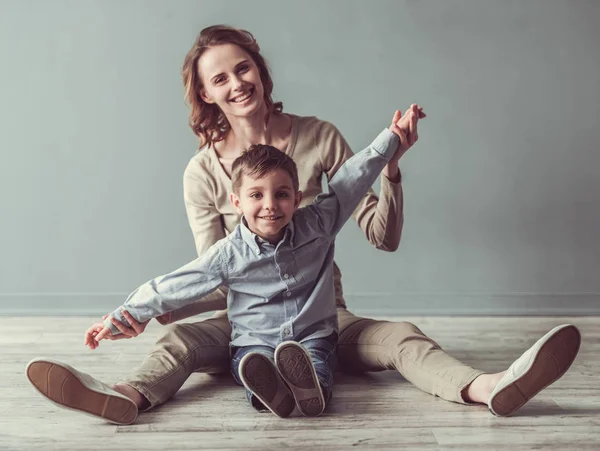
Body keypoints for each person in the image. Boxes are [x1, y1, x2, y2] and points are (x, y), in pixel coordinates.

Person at [26, 25, 580, 425]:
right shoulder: (201, 172)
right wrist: (148, 310)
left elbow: (377, 229)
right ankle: (127, 396)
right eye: (220, 78)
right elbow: (210, 273)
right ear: (206, 94)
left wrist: (390, 163)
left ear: (260, 71)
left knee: (402, 337)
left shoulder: (319, 138)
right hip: (243, 322)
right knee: (178, 340)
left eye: (243, 67)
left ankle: (489, 387)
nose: (237, 82)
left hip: (323, 316)